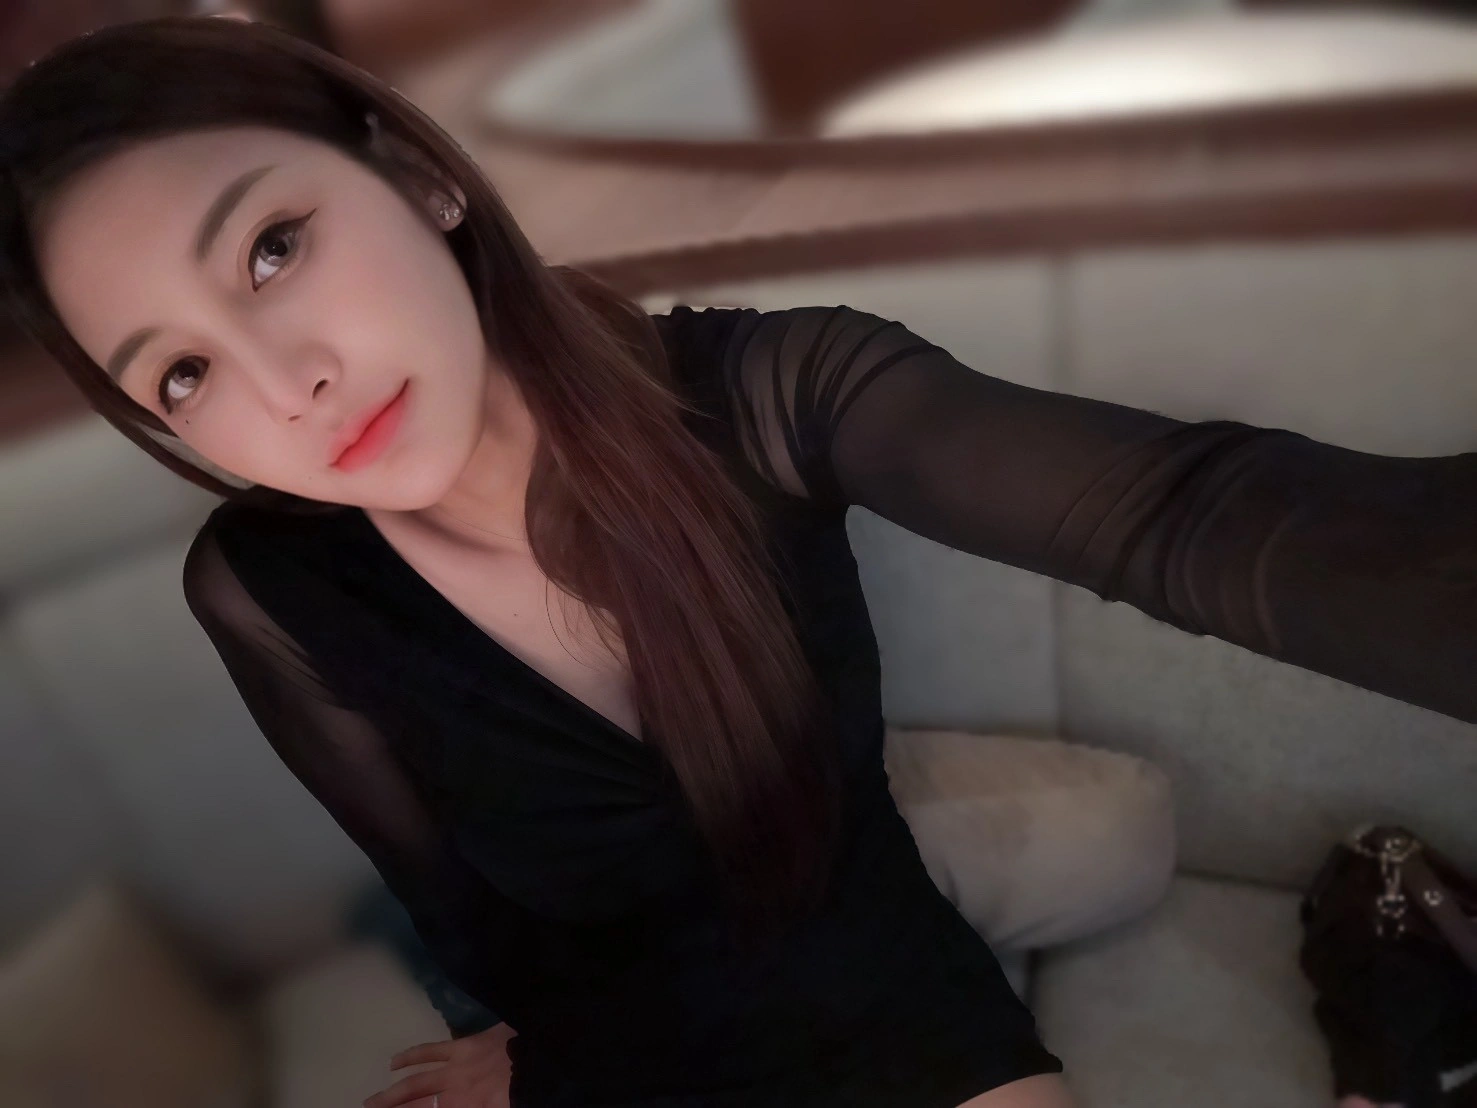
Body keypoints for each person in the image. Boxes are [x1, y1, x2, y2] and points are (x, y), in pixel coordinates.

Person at [1, 15, 1471, 1108]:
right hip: (599, 1046)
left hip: (871, 977)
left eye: (272, 248)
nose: (287, 387)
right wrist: (530, 1059)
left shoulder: (774, 396)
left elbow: (1188, 516)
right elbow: (461, 906)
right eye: (182, 374)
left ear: (419, 179)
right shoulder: (266, 589)